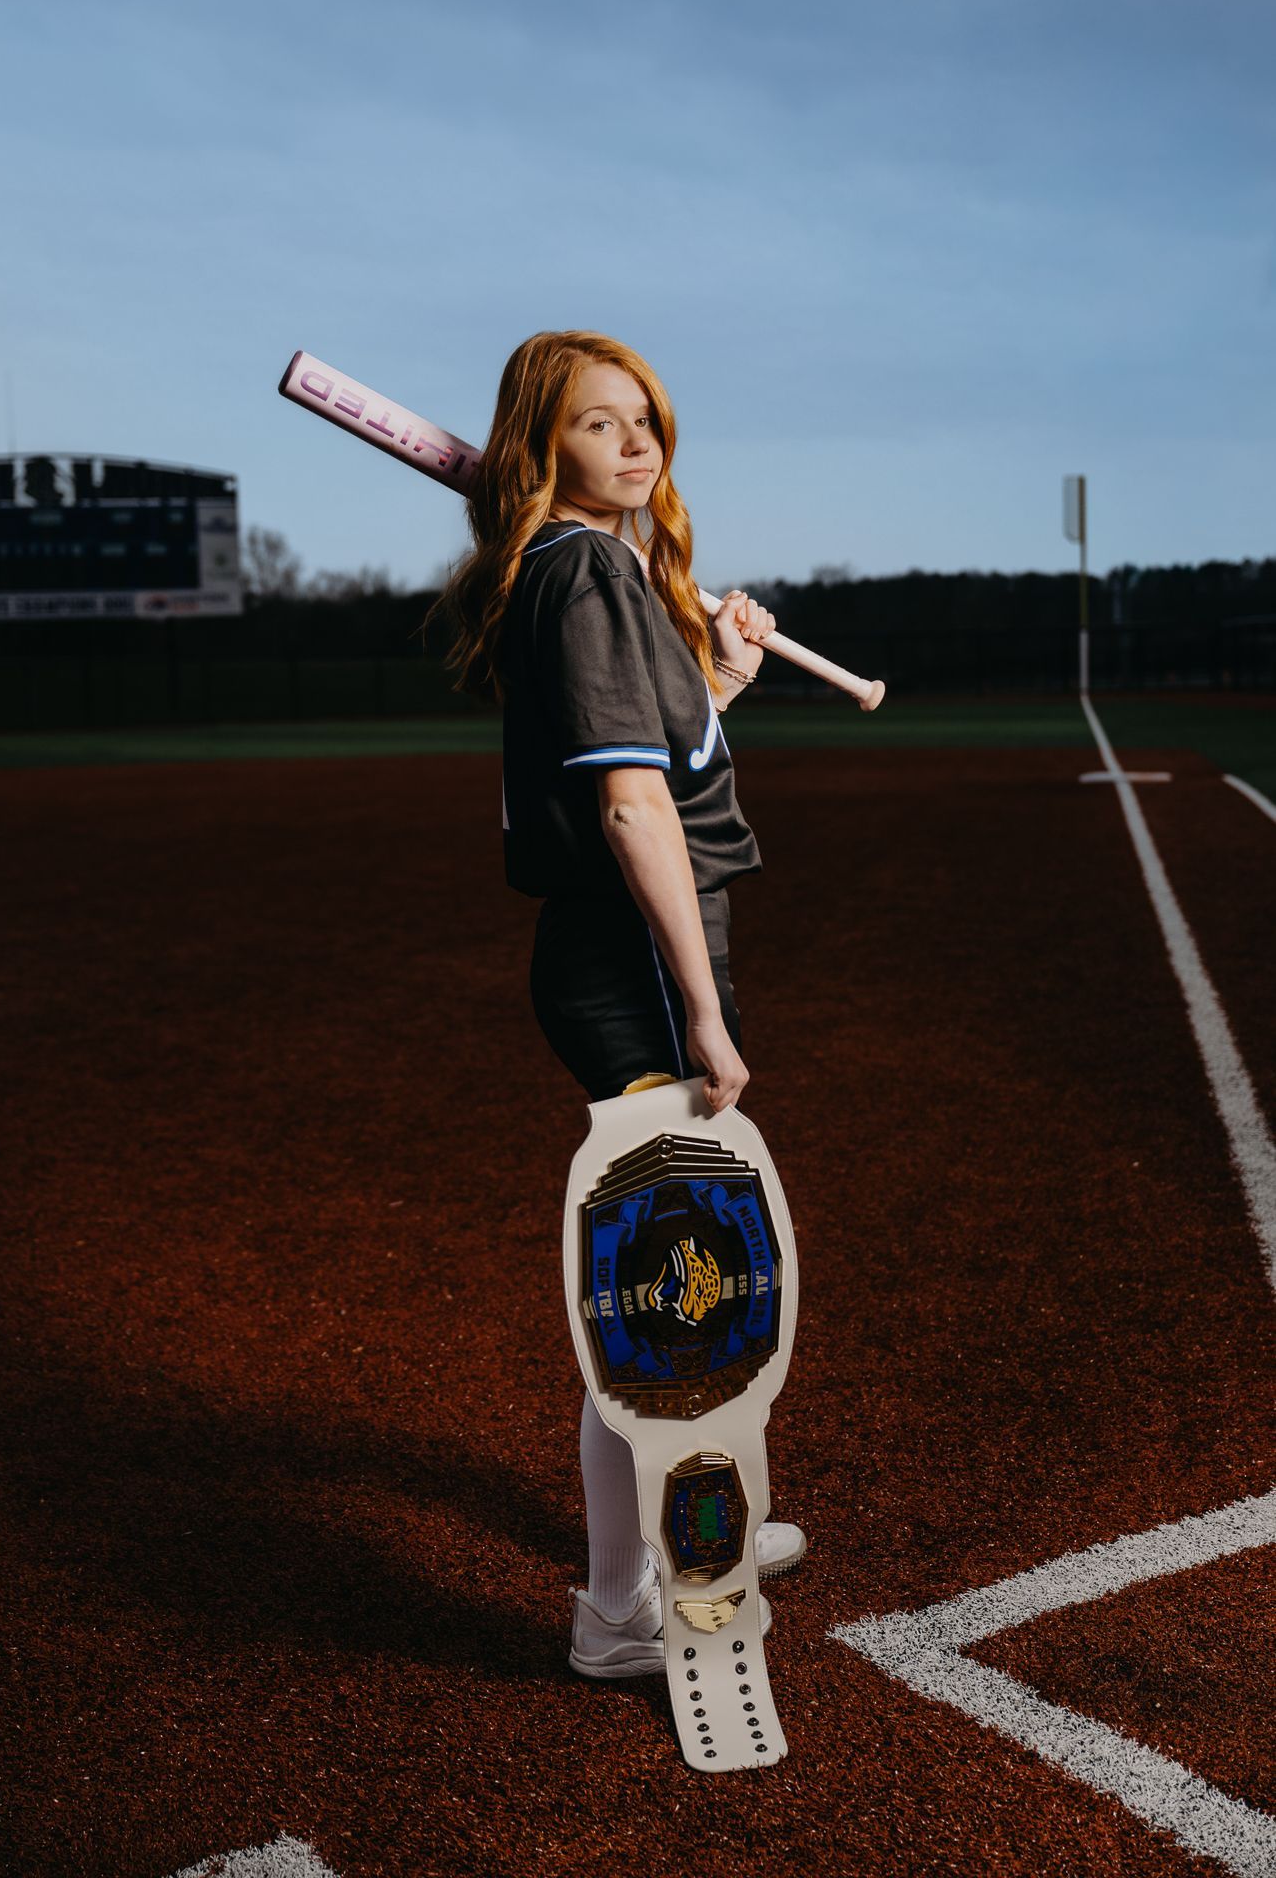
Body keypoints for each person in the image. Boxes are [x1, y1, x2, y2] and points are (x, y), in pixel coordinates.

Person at [425, 329, 805, 1680]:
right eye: (597, 423)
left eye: (643, 417)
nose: (635, 442)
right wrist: (702, 1014)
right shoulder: (583, 570)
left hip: (652, 946)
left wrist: (726, 680)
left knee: (691, 1265)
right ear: (546, 447)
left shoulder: (607, 572)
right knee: (664, 1290)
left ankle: (681, 1516)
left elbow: (665, 755)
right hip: (632, 959)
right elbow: (630, 806)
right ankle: (612, 1609)